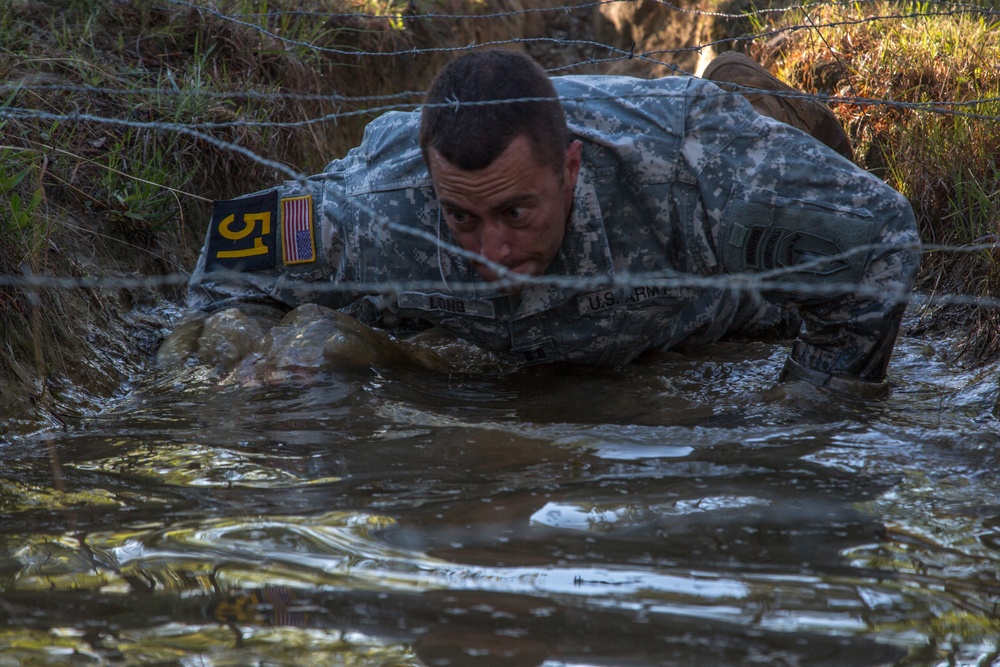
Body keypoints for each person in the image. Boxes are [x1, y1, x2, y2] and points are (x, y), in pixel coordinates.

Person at [158, 49, 920, 396]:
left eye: (516, 213)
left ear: (571, 173)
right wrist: (231, 362)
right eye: (463, 216)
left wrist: (805, 418)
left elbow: (881, 236)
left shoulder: (691, 163)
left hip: (708, 294)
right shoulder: (368, 211)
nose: (492, 251)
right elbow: (227, 255)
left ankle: (734, 77)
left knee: (776, 149)